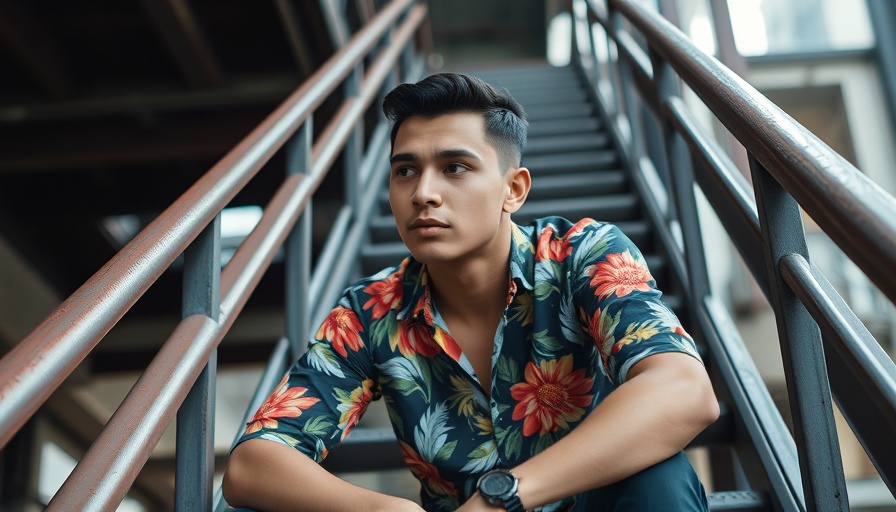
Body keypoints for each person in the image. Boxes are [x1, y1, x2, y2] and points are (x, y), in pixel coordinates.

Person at [222, 72, 719, 512]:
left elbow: (685, 392)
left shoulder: (582, 256)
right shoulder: (370, 312)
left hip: (584, 502)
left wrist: (503, 495)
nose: (423, 193)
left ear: (514, 190)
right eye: (406, 170)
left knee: (661, 477)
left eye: (455, 167)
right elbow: (252, 464)